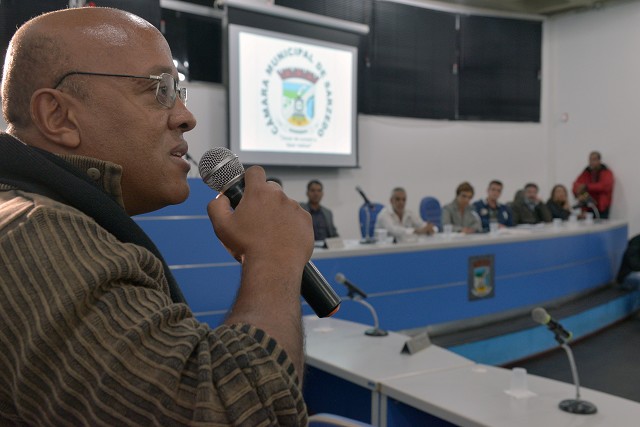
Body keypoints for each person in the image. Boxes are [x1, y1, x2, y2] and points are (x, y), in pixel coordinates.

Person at [0, 8, 309, 425]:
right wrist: (273, 259)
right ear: (58, 116)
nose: (186, 117)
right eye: (159, 89)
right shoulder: (34, 234)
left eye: (180, 91)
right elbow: (225, 412)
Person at [572, 151, 614, 219]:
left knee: (602, 224)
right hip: (587, 207)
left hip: (601, 207)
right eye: (590, 159)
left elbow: (605, 186)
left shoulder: (606, 172)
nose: (592, 162)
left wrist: (587, 187)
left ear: (599, 160)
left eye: (594, 159)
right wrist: (578, 194)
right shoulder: (586, 172)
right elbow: (576, 184)